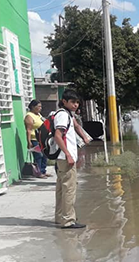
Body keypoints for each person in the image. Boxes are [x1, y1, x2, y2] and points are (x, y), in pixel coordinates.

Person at [54, 89, 89, 229]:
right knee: (69, 189)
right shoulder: (63, 116)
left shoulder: (67, 114)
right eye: (73, 102)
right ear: (64, 102)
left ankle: (60, 216)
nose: (76, 105)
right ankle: (68, 220)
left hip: (62, 158)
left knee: (61, 189)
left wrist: (85, 137)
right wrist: (68, 154)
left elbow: (76, 126)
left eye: (77, 103)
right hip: (65, 158)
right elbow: (58, 135)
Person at [24, 100, 49, 178]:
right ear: (32, 107)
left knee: (44, 155)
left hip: (42, 139)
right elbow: (28, 130)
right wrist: (29, 142)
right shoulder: (29, 116)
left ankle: (43, 171)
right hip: (34, 139)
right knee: (38, 155)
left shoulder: (38, 115)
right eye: (38, 106)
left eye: (41, 106)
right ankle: (38, 172)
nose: (40, 108)